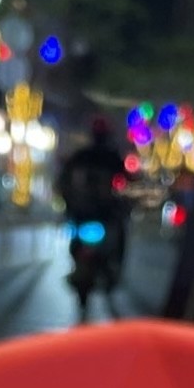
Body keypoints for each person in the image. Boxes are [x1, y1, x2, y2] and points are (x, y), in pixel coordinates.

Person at [58, 116, 129, 272]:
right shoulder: (110, 158)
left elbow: (64, 180)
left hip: (96, 213)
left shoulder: (83, 156)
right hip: (94, 213)